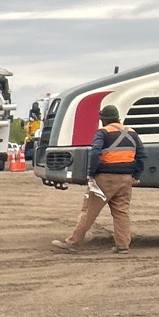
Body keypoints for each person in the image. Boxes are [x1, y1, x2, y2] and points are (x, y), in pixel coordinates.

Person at [53, 103, 145, 253]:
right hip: (125, 179)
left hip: (105, 178)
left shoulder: (103, 132)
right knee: (121, 213)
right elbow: (141, 155)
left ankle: (73, 243)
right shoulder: (132, 133)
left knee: (89, 211)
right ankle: (122, 246)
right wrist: (136, 175)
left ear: (104, 119)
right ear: (117, 118)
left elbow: (95, 152)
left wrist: (91, 173)